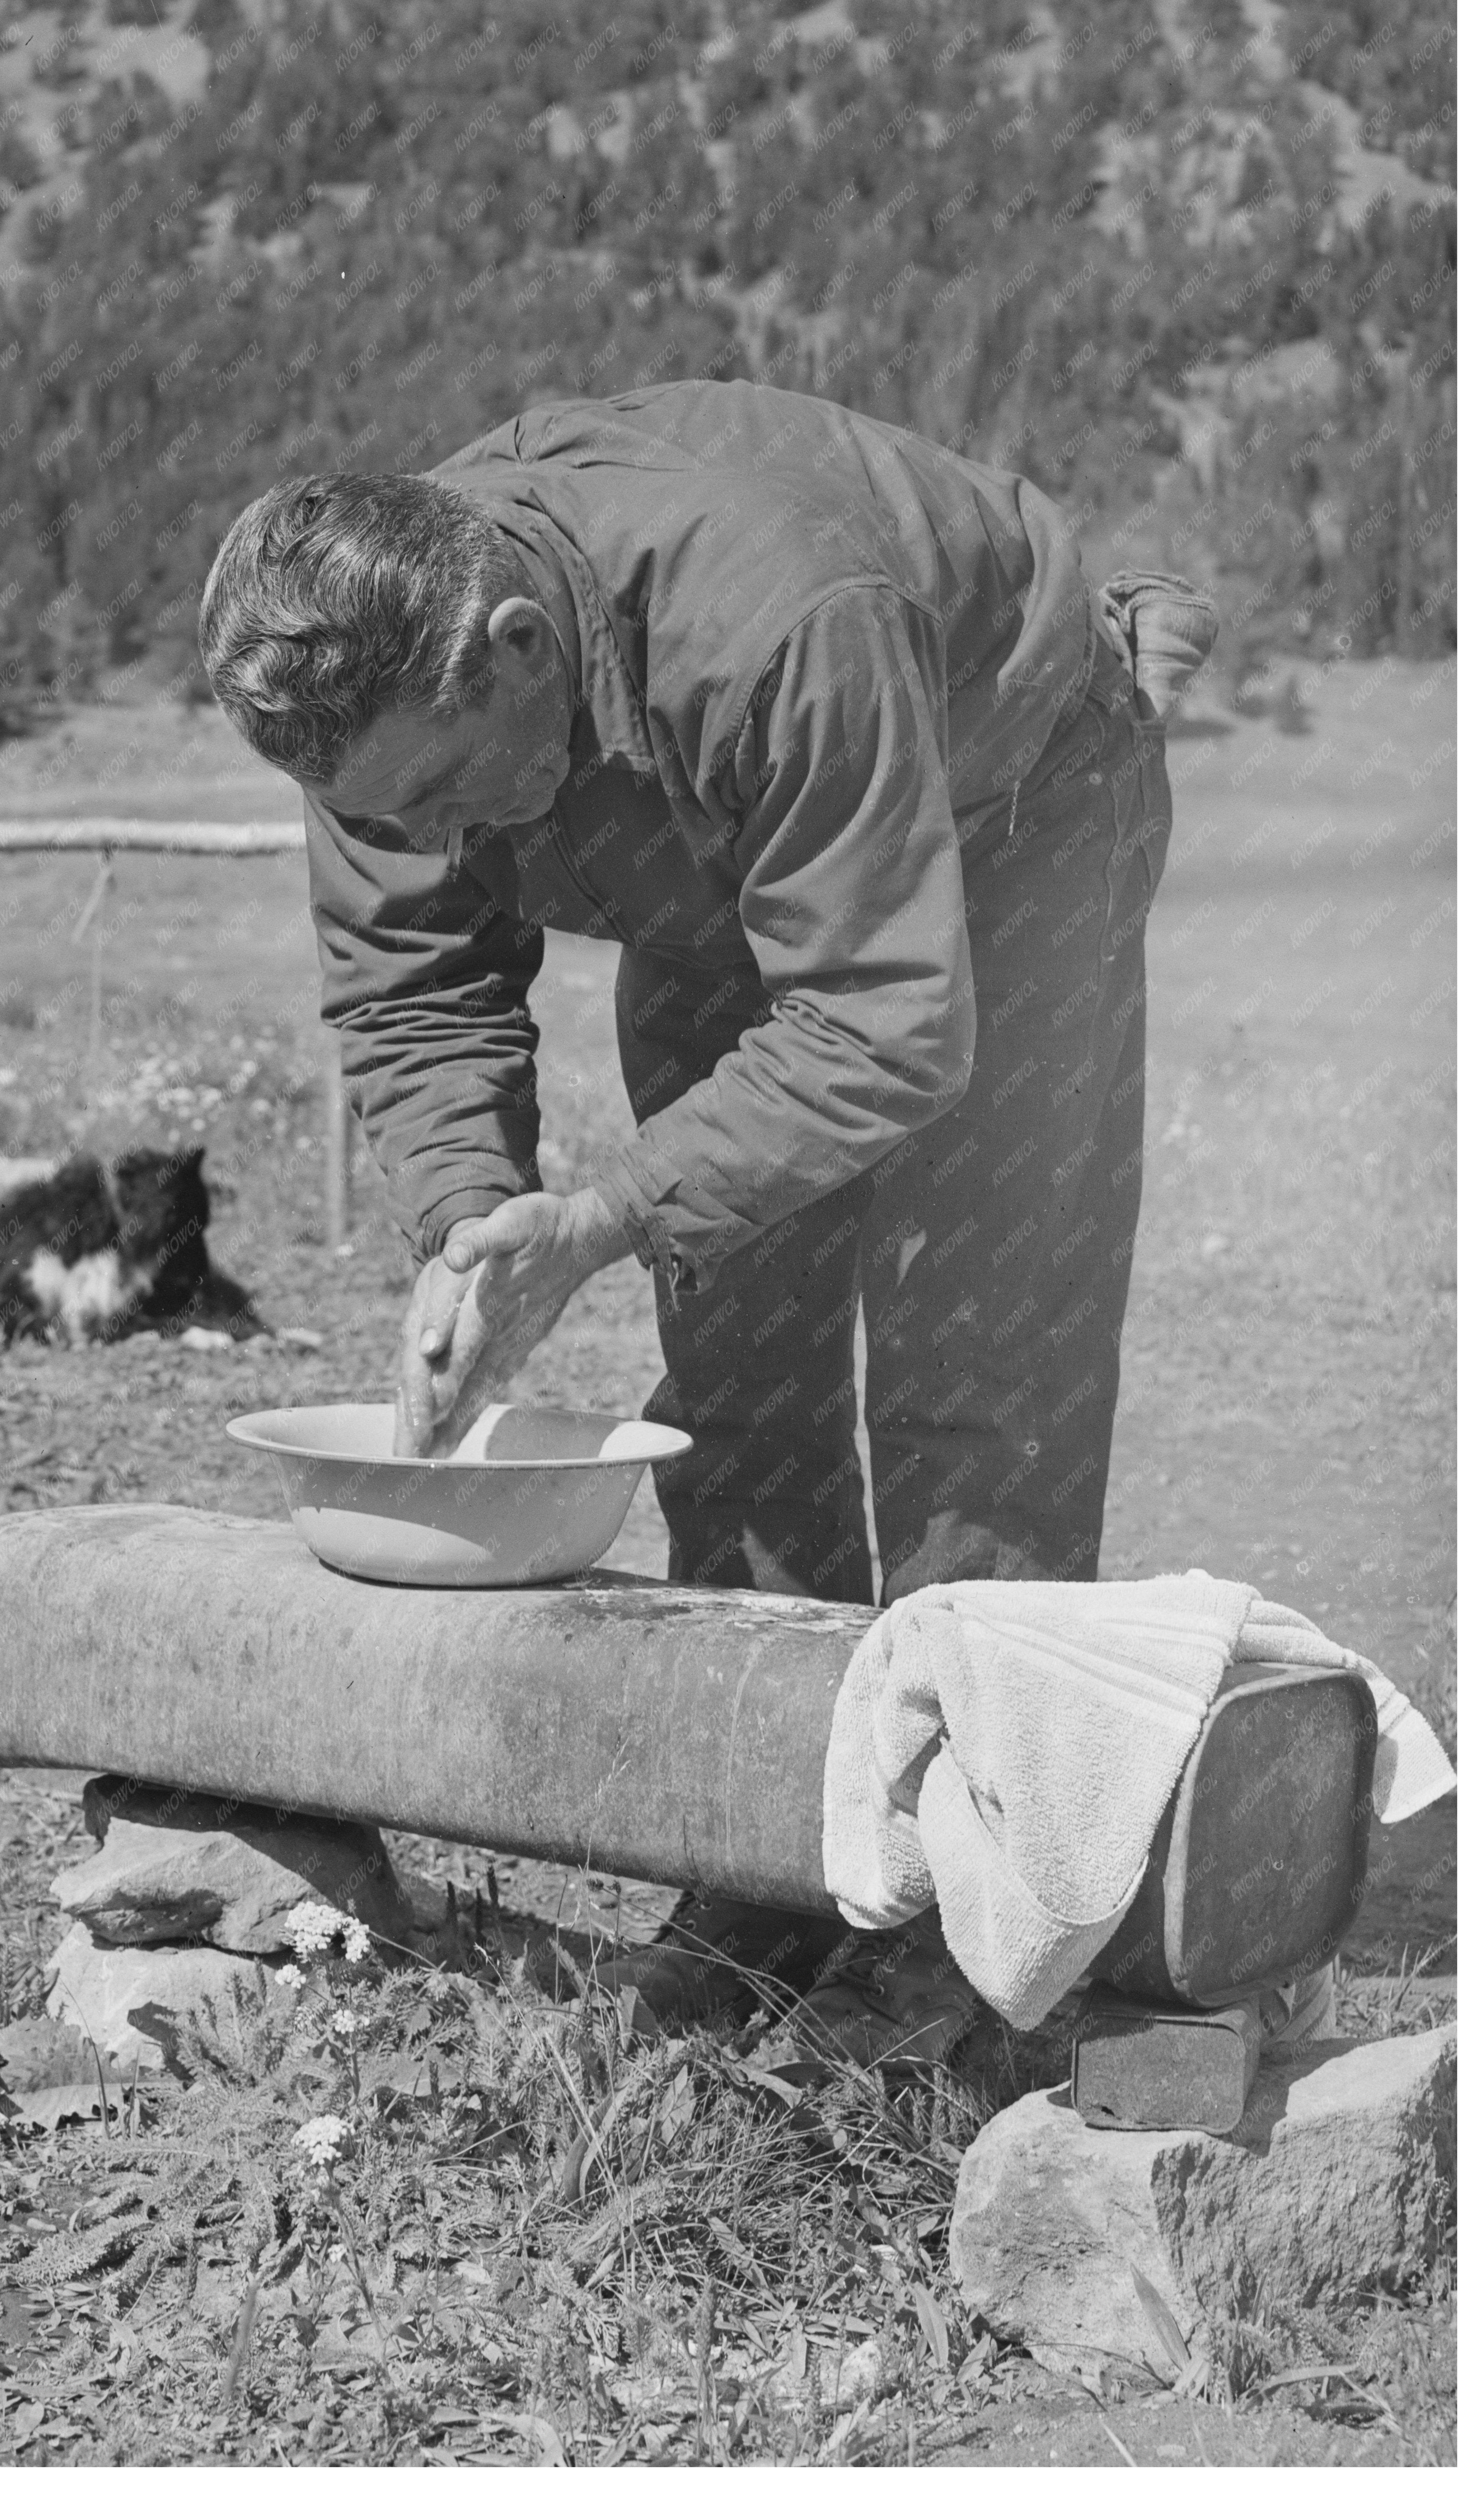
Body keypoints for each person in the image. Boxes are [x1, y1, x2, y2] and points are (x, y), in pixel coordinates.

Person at [199, 377, 1216, 2057]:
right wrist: (473, 1223)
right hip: (711, 858)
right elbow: (413, 987)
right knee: (737, 1367)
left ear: (524, 647)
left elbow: (885, 1027)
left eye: (452, 797)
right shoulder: (360, 681)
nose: (431, 846)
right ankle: (774, 1856)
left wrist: (601, 1210)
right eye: (393, 821)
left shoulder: (772, 615)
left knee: (976, 1368)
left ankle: (985, 1905)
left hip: (1005, 808)